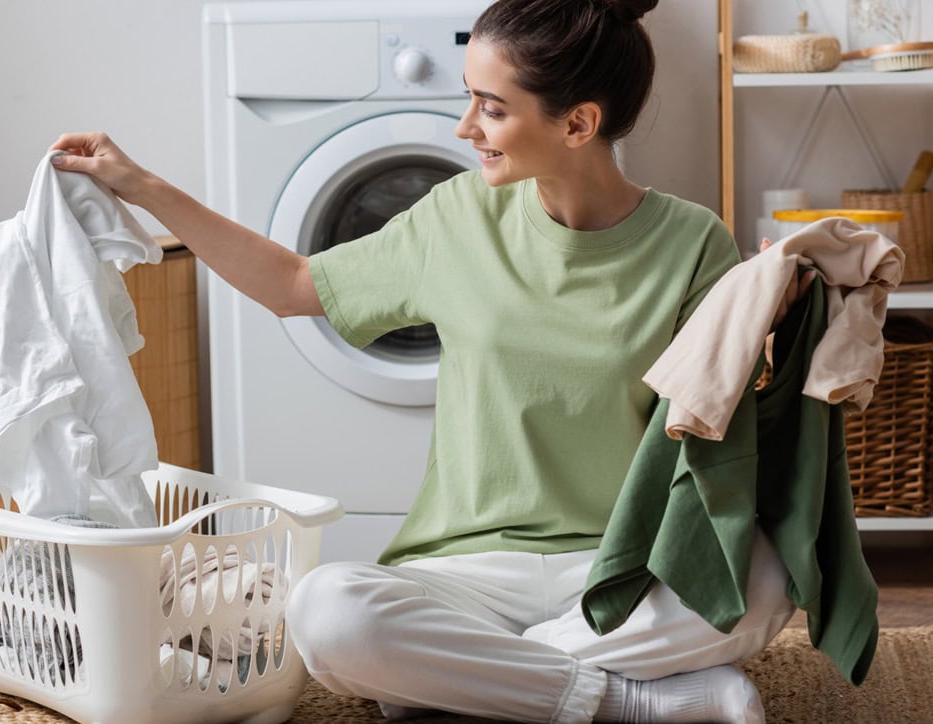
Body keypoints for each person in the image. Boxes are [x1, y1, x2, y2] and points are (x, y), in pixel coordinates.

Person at [50, 1, 814, 721]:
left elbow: (717, 414)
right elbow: (292, 284)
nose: (463, 128)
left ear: (578, 123)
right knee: (329, 612)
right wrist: (141, 186)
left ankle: (473, 680)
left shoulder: (693, 242)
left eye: (491, 107)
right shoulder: (458, 217)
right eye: (469, 99)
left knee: (767, 579)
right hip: (467, 572)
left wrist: (774, 318)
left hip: (623, 565)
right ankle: (630, 700)